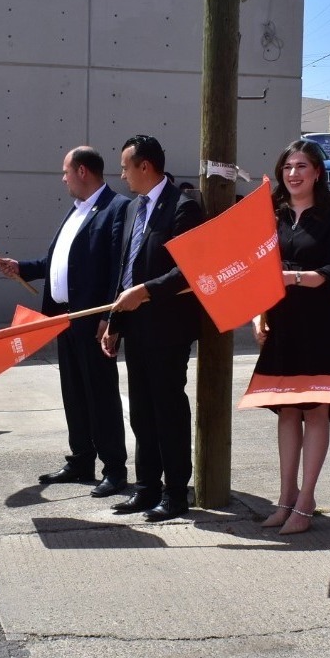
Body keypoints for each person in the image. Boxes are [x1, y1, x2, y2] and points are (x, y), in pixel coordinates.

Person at [0, 146, 130, 496]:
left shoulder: (116, 208)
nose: (63, 178)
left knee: (100, 395)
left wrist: (109, 317)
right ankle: (81, 460)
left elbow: (118, 269)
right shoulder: (76, 210)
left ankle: (114, 469)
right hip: (63, 319)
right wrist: (21, 267)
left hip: (92, 322)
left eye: (66, 171)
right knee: (74, 393)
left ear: (83, 171)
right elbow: (59, 262)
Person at [250, 140, 330, 536]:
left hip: (318, 325)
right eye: (288, 167)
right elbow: (256, 269)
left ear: (317, 173)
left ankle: (306, 500)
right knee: (287, 410)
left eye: (301, 167)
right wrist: (258, 316)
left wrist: (290, 277)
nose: (293, 174)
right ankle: (285, 497)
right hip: (281, 322)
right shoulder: (271, 215)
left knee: (315, 410)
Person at [101, 135, 204, 522]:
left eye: (125, 167)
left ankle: (175, 493)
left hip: (168, 329)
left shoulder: (183, 206)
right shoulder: (132, 209)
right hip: (135, 328)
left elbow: (188, 271)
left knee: (167, 410)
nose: (122, 175)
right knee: (141, 413)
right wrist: (114, 323)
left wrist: (145, 292)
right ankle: (146, 488)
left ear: (145, 166)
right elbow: (125, 268)